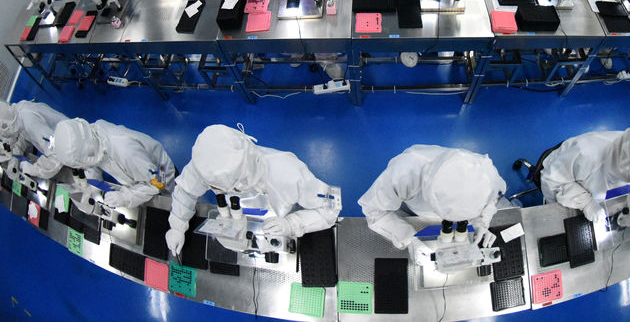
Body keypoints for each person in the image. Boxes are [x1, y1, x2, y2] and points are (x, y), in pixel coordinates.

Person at [165, 124, 340, 257]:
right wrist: (177, 226)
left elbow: (331, 206)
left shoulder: (288, 173)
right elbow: (185, 191)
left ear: (240, 178)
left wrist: (292, 224)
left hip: (281, 232)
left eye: (217, 187)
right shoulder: (207, 164)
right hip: (245, 231)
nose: (212, 189)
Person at [358, 144, 506, 254]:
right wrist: (409, 238)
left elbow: (493, 198)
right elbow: (374, 211)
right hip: (411, 208)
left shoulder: (481, 172)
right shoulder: (405, 172)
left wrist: (481, 222)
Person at [20, 118, 176, 208]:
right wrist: (91, 185)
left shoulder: (126, 152)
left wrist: (125, 197)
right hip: (139, 172)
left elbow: (156, 183)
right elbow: (92, 163)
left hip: (161, 172)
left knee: (170, 198)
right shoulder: (93, 136)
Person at [539, 122, 630, 222]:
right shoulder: (587, 154)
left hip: (596, 186)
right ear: (628, 163)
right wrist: (586, 203)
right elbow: (551, 181)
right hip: (559, 173)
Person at [0, 100, 68, 164]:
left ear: (5, 125)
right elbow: (24, 134)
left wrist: (33, 170)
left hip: (70, 152)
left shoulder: (29, 121)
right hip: (68, 141)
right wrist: (16, 150)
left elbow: (55, 154)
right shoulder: (19, 111)